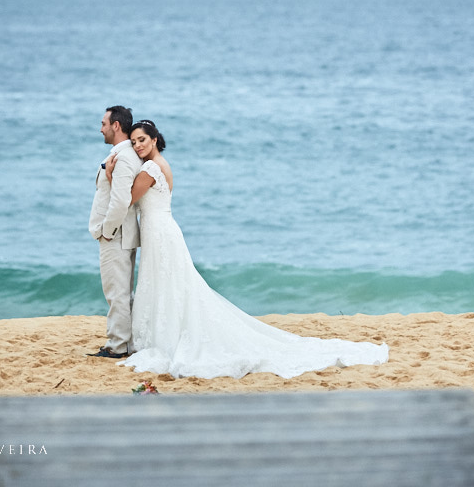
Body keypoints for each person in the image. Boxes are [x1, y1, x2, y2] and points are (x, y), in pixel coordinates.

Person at [104, 119, 388, 379]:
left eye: (142, 140)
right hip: (160, 230)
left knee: (169, 284)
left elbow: (127, 199)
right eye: (134, 142)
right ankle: (164, 334)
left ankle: (167, 339)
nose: (138, 145)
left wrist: (111, 173)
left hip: (161, 233)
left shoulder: (152, 168)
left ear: (154, 140)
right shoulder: (160, 164)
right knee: (169, 285)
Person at [87, 105, 142, 359]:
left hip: (116, 236)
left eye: (104, 123)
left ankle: (118, 346)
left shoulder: (124, 157)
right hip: (120, 234)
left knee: (116, 292)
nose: (101, 129)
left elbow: (121, 201)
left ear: (116, 126)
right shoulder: (122, 155)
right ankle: (124, 343)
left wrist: (107, 231)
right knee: (120, 291)